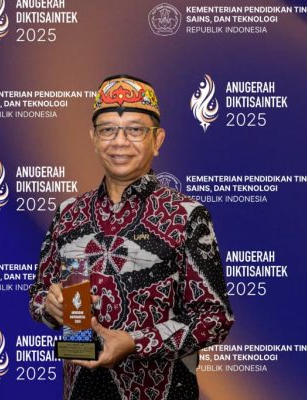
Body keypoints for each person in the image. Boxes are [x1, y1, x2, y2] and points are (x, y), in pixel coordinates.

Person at [28, 75, 234, 400]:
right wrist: (51, 306)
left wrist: (136, 342)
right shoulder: (69, 213)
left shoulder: (184, 215)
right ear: (94, 138)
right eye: (108, 130)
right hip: (80, 390)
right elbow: (39, 295)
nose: (119, 142)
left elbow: (214, 317)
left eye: (135, 130)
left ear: (157, 139)